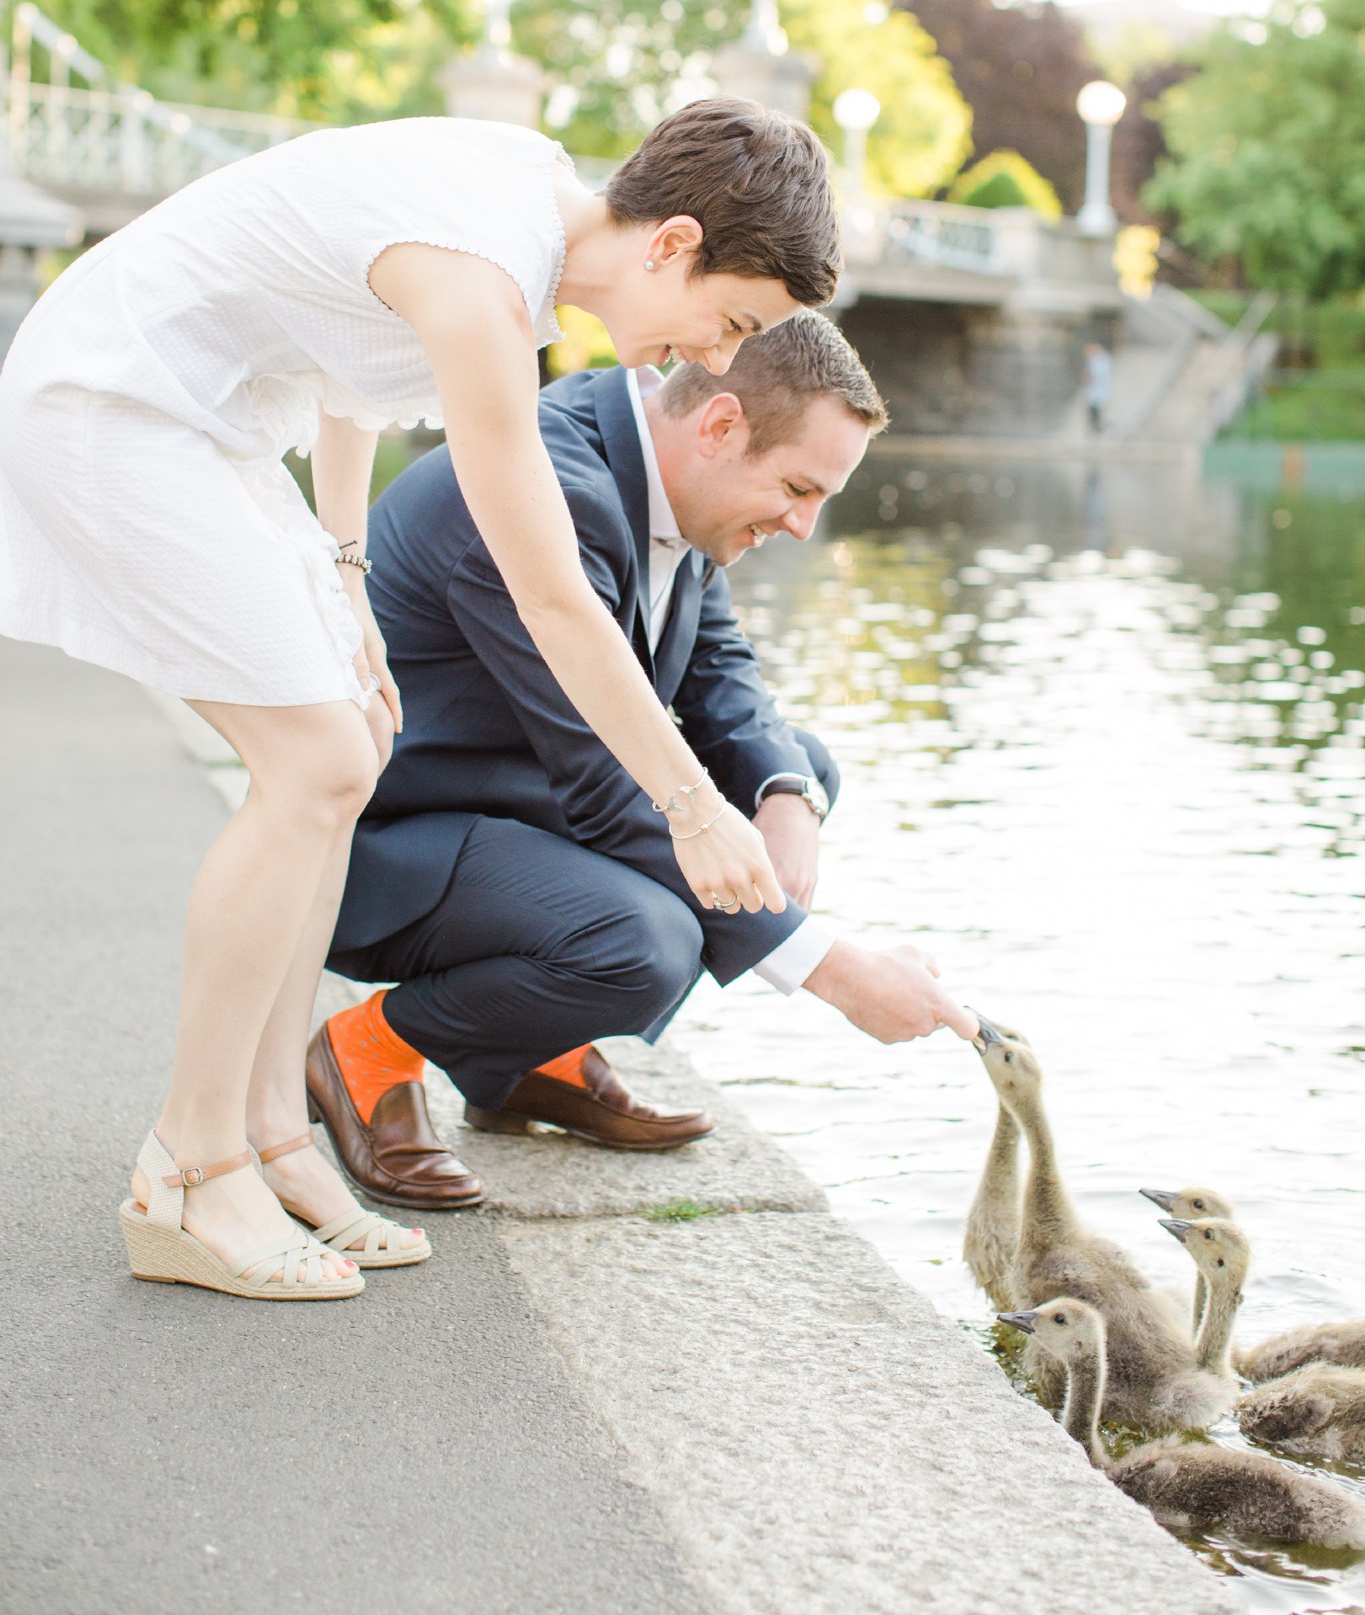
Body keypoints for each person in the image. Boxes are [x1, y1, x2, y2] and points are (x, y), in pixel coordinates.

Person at [0, 99, 840, 1301]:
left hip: (212, 421)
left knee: (351, 741)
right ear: (673, 243)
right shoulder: (486, 286)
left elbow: (347, 362)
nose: (717, 355)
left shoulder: (525, 201)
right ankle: (190, 1164)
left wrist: (346, 577)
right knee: (319, 767)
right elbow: (557, 600)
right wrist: (696, 806)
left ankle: (276, 1142)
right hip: (115, 404)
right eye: (734, 319)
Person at [309, 314, 979, 1206]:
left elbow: (718, 669)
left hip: (518, 808)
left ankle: (525, 1051)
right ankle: (369, 1048)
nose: (805, 526)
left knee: (799, 766)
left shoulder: (667, 474)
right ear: (719, 426)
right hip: (390, 841)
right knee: (644, 944)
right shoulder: (551, 491)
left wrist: (785, 794)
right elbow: (599, 777)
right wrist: (833, 970)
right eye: (796, 488)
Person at [1083, 340, 1113, 436]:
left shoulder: (1103, 359)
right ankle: (1094, 428)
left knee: (1097, 409)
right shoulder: (1093, 359)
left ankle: (1098, 428)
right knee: (1093, 409)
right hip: (1094, 390)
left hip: (1099, 388)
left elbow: (1098, 373)